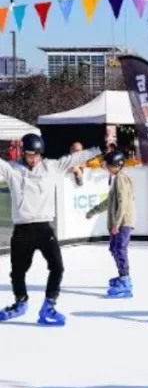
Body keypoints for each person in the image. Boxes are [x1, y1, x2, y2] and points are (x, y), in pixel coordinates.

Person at [0, 134, 103, 325]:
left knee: (57, 267)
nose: (33, 159)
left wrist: (98, 148)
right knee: (17, 272)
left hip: (44, 228)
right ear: (23, 153)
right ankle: (20, 302)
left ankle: (48, 306)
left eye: (37, 155)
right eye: (30, 155)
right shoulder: (13, 170)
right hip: (22, 229)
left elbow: (74, 158)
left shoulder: (51, 167)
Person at [85, 150, 135, 298]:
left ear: (116, 165)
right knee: (114, 248)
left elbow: (123, 203)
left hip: (122, 222)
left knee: (119, 249)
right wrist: (94, 210)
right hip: (119, 222)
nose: (106, 168)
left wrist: (116, 224)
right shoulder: (117, 178)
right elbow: (110, 201)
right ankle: (123, 275)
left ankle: (125, 281)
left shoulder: (121, 179)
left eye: (108, 165)